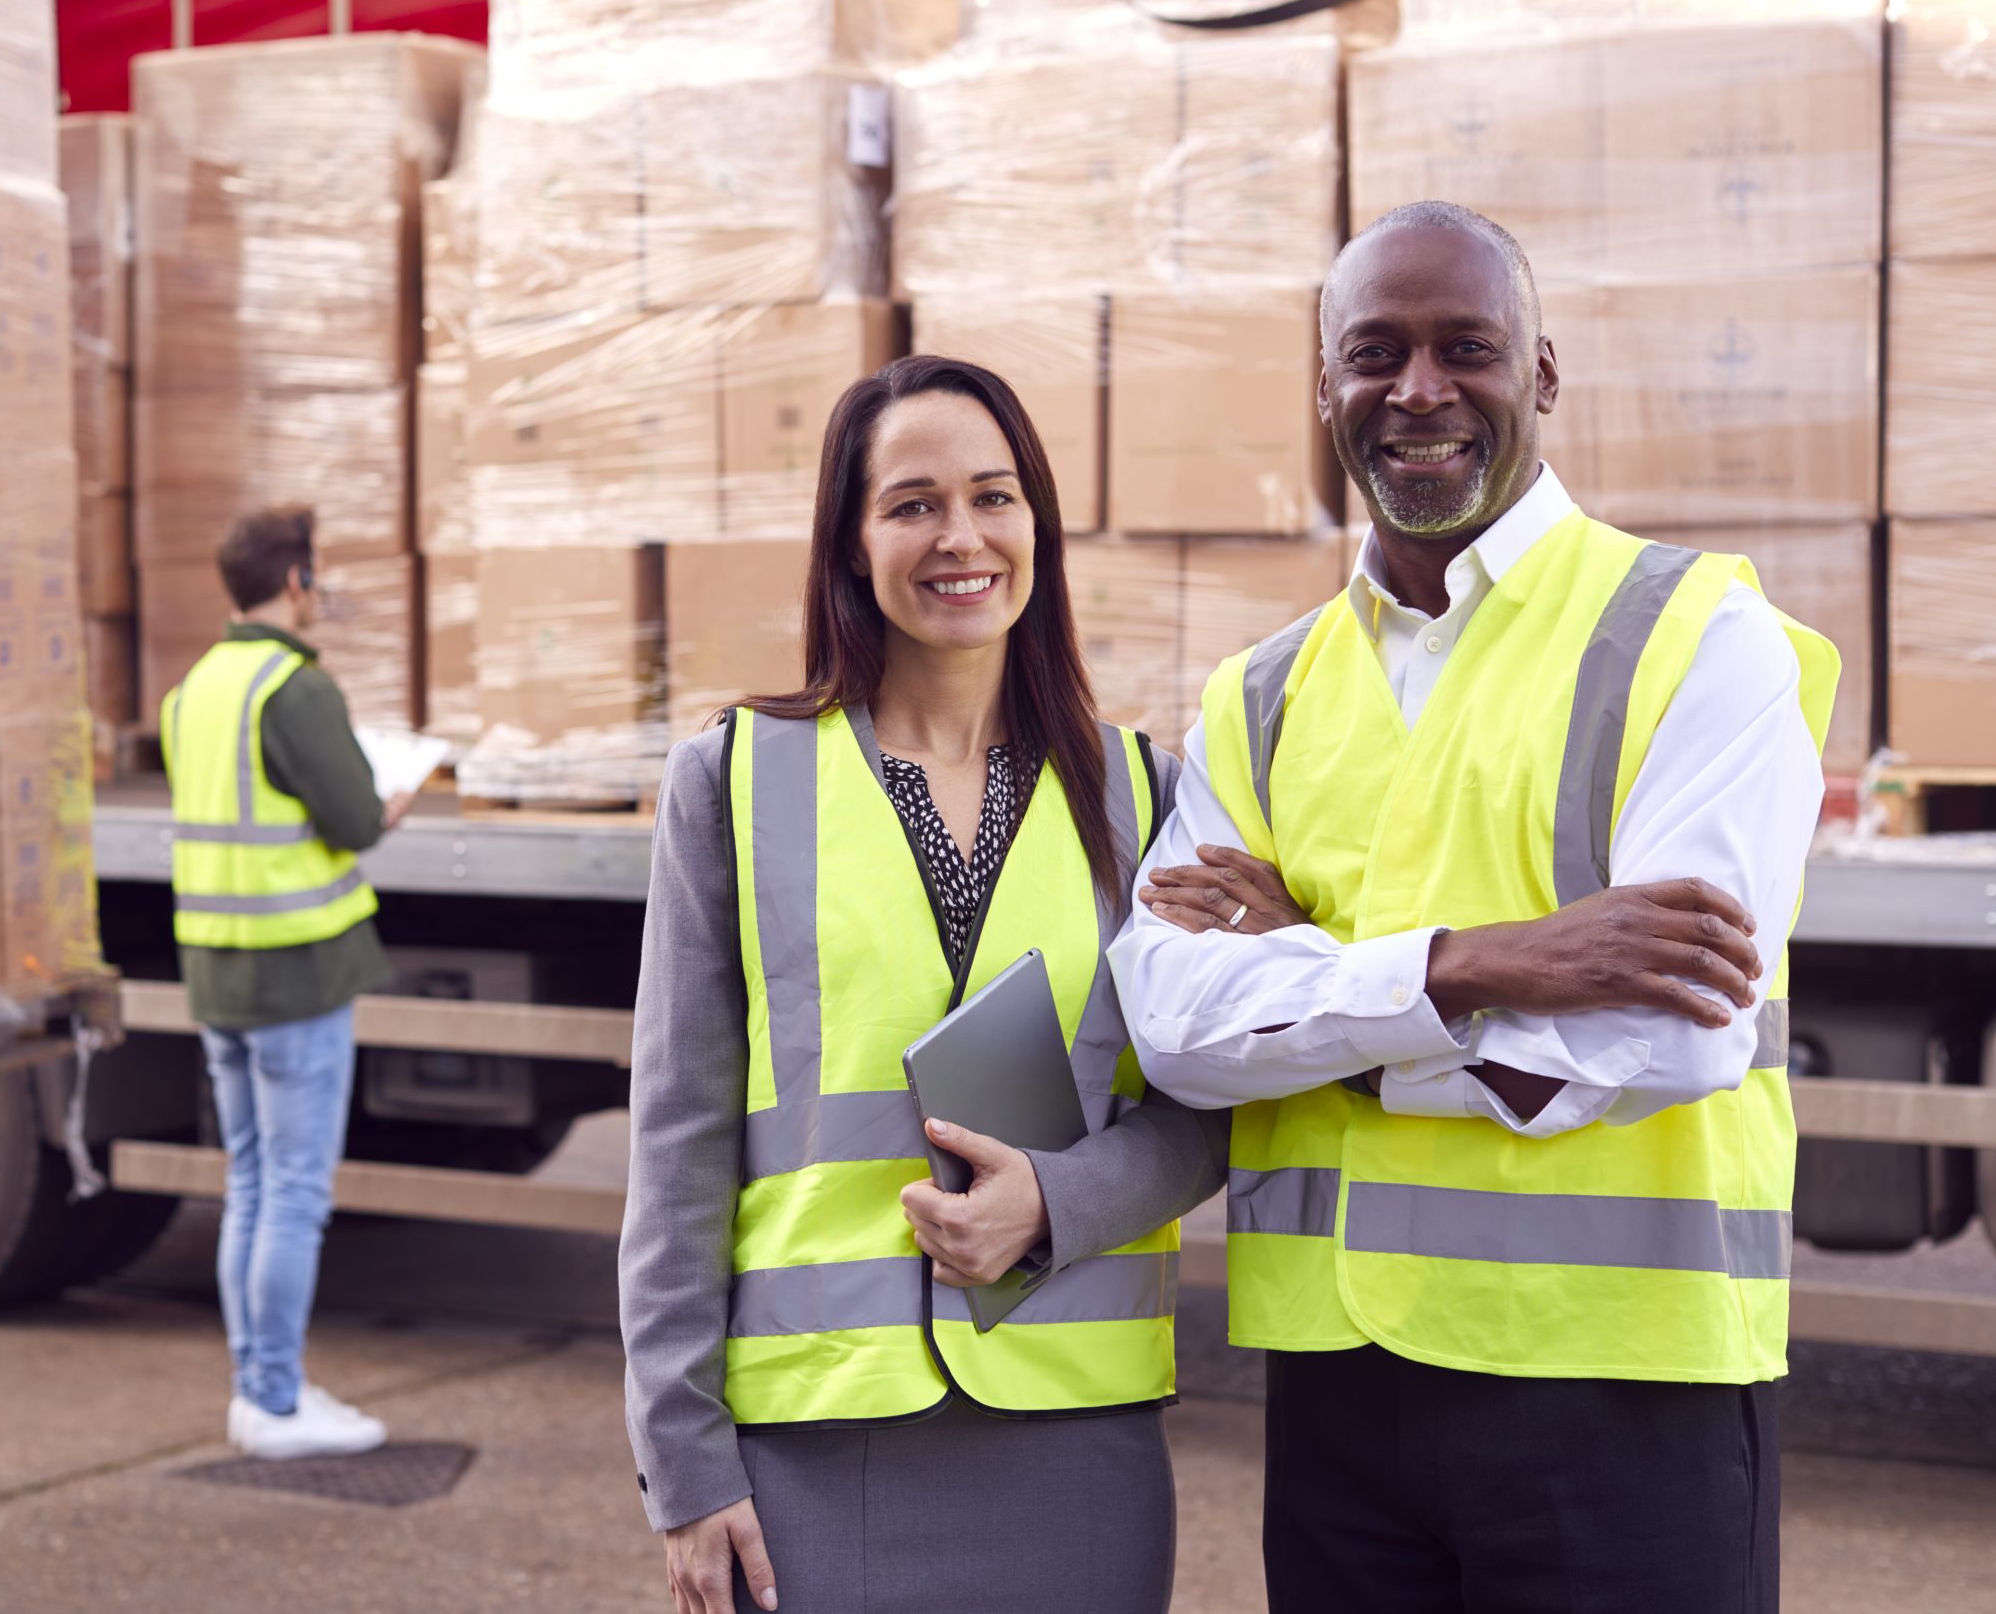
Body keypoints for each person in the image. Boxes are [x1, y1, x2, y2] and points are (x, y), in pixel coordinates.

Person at [1109, 202, 1837, 1614]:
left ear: (1545, 373)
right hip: (1340, 1402)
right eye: (1373, 353)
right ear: (1323, 389)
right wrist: (1480, 962)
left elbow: (1671, 1032)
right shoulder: (1259, 692)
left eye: (1469, 347)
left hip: (1625, 1386)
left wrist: (1315, 992)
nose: (1419, 390)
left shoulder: (1703, 634)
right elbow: (1178, 1022)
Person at [620, 355, 1228, 1614]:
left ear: (1036, 526)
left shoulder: (1144, 794)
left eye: (993, 497)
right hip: (817, 1437)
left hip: (1076, 1432)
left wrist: (1055, 1202)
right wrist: (681, 1462)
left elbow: (1203, 1108)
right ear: (850, 543)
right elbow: (675, 1143)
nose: (960, 538)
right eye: (911, 505)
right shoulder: (733, 782)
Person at [162, 503, 415, 1461]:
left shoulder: (194, 689)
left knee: (254, 1185)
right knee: (294, 1192)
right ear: (296, 582)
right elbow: (350, 818)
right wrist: (385, 806)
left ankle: (259, 1388)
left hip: (219, 972)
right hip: (297, 973)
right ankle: (273, 1402)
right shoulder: (295, 688)